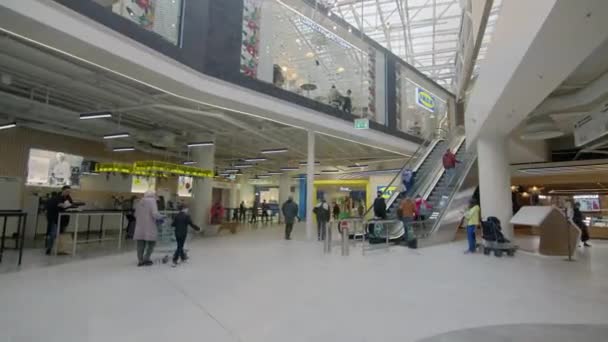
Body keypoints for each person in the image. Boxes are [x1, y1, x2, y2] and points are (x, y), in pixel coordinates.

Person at [134, 190, 163, 266]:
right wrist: (162, 216)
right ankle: (146, 258)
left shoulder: (139, 201)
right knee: (151, 243)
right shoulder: (152, 201)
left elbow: (135, 215)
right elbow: (155, 214)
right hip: (150, 227)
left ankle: (140, 260)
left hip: (139, 227)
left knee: (140, 244)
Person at [45, 185, 74, 255]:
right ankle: (49, 248)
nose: (68, 193)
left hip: (64, 219)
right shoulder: (56, 197)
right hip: (55, 218)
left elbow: (70, 204)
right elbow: (54, 205)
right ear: (62, 190)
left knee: (62, 233)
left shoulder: (68, 197)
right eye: (67, 191)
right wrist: (62, 205)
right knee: (53, 234)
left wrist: (70, 206)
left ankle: (61, 249)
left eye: (69, 192)